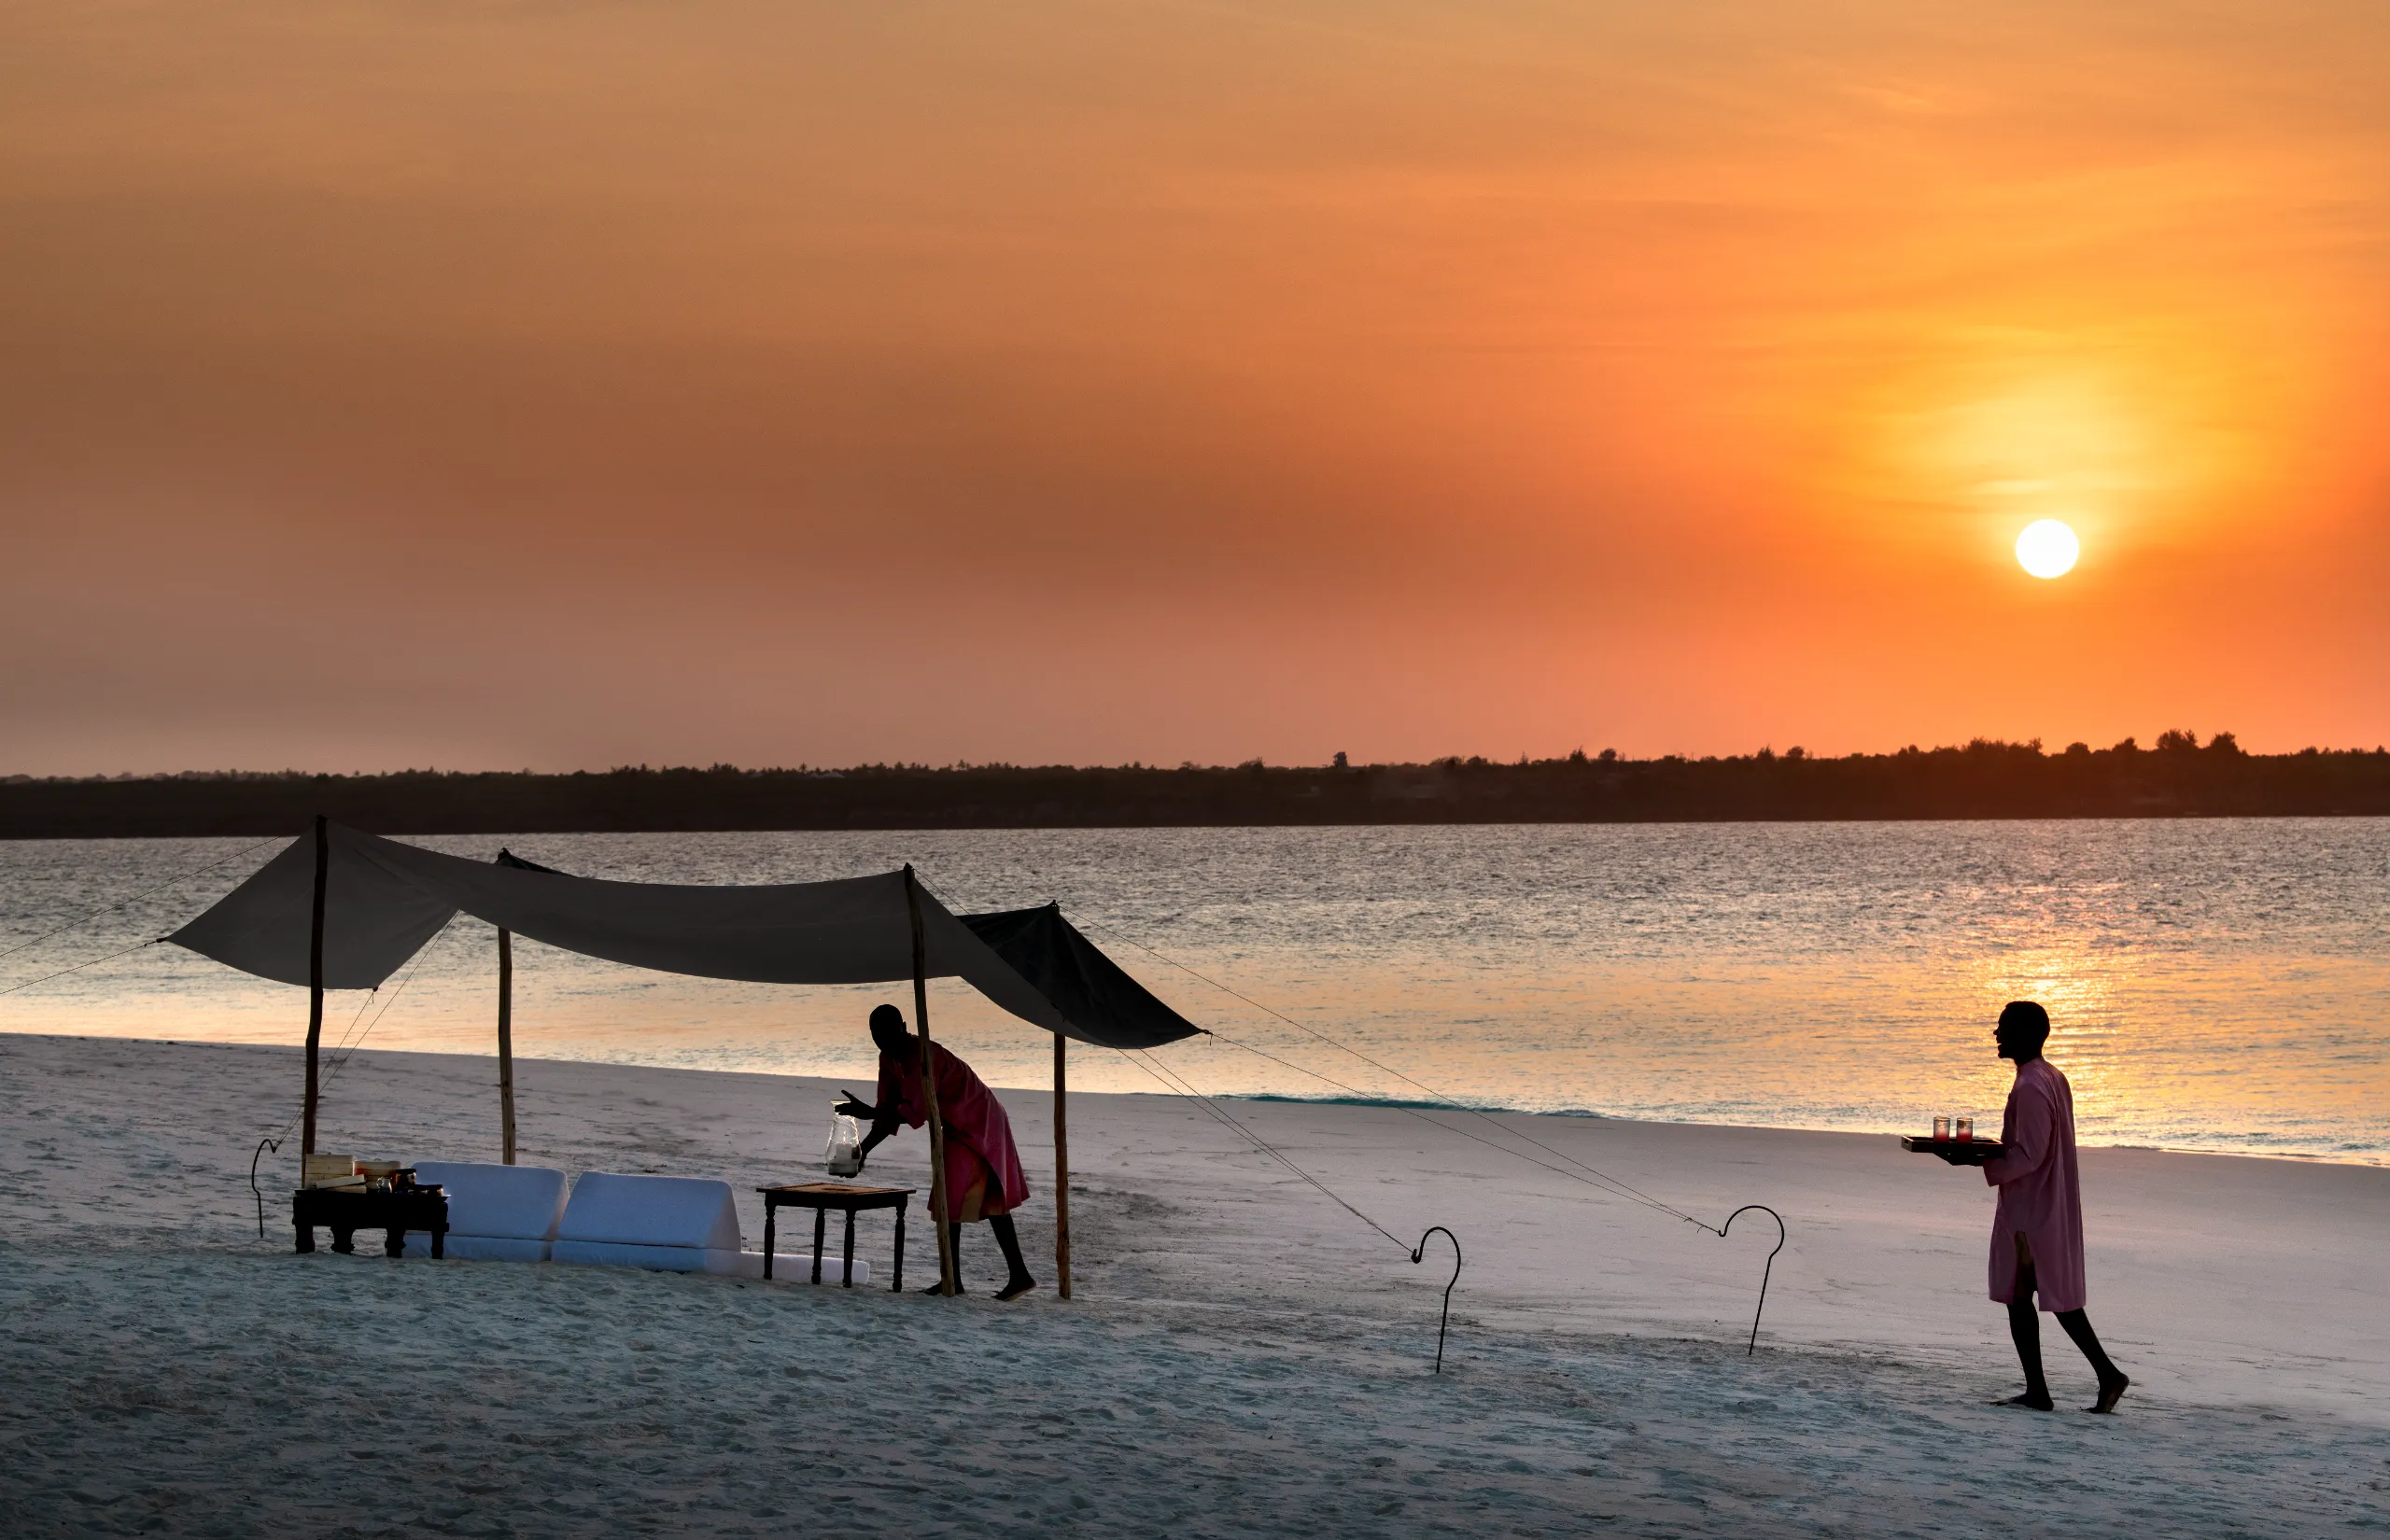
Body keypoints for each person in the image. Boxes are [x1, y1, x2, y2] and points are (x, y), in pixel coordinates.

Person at [1938, 1001, 2130, 1412]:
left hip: (2031, 1206)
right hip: (2044, 1200)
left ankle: (2093, 1377)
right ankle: (2050, 1387)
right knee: (2028, 1295)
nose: (1996, 1034)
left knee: (2033, 1295)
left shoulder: (2030, 1084)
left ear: (2026, 1035)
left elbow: (2029, 1155)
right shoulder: (2051, 1077)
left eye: (2003, 1027)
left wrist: (1976, 1158)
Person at [836, 1003, 1037, 1301]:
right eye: (876, 1035)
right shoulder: (888, 1058)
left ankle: (956, 1279)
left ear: (903, 1027)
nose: (882, 1041)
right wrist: (863, 1149)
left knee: (953, 1193)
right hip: (955, 1123)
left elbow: (915, 1110)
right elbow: (887, 1110)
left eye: (888, 1033)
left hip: (980, 1116)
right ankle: (975, 1277)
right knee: (960, 1195)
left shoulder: (921, 1055)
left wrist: (869, 1113)